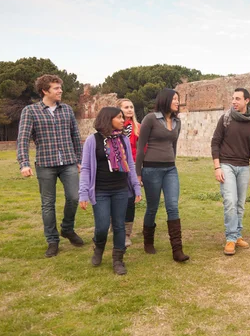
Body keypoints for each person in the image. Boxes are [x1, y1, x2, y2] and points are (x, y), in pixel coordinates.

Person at [17, 74, 84, 258]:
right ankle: (52, 240)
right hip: (46, 164)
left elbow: (75, 136)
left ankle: (67, 229)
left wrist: (79, 159)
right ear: (45, 91)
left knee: (74, 197)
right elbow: (23, 139)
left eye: (60, 87)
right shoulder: (30, 111)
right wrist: (24, 163)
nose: (60, 90)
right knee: (48, 204)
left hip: (68, 162)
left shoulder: (67, 110)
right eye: (56, 88)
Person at [78, 107, 142, 275]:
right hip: (100, 191)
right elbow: (85, 168)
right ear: (108, 119)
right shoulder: (93, 140)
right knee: (102, 226)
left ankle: (118, 260)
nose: (123, 120)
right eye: (119, 117)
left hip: (121, 189)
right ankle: (98, 248)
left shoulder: (123, 140)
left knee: (119, 225)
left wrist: (136, 187)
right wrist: (83, 193)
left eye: (123, 118)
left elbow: (131, 165)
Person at [136, 88, 189, 262]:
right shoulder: (150, 119)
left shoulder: (177, 122)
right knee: (152, 207)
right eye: (174, 99)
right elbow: (140, 147)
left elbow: (173, 145)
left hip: (170, 169)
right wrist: (138, 173)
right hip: (151, 169)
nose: (177, 102)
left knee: (172, 206)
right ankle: (148, 241)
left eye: (178, 99)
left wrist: (171, 161)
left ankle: (177, 250)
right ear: (165, 100)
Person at [211, 88, 250, 256]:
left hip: (244, 166)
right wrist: (217, 167)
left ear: (247, 100)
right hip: (226, 165)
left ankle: (238, 235)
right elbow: (215, 142)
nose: (234, 101)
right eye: (233, 98)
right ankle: (231, 238)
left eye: (238, 98)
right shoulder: (225, 118)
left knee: (240, 204)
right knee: (230, 201)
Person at [116, 98, 141, 246]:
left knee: (130, 200)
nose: (130, 110)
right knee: (117, 198)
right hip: (116, 167)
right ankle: (115, 226)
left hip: (133, 166)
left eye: (131, 107)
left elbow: (143, 149)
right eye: (126, 107)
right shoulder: (113, 127)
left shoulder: (138, 127)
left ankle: (126, 233)